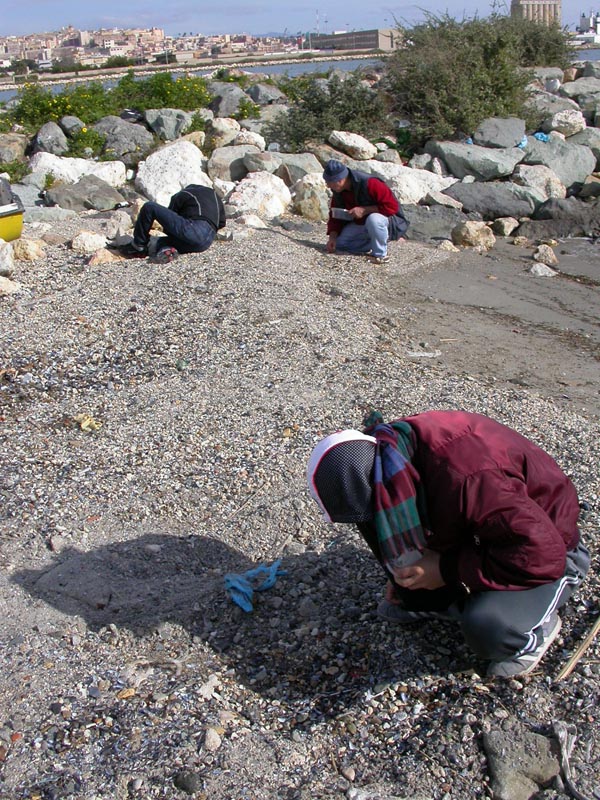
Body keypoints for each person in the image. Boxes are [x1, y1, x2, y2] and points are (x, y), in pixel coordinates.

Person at [307, 410, 590, 678]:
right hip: (484, 535)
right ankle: (449, 598)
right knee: (408, 581)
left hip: (549, 549)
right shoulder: (389, 458)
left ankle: (532, 634)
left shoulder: (469, 477)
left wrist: (445, 570)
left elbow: (543, 554)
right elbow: (419, 511)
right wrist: (403, 570)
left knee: (488, 629)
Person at [323, 159, 408, 265]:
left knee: (374, 219)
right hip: (361, 224)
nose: (327, 186)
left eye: (328, 183)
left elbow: (392, 207)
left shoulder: (371, 183)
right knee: (340, 244)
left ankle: (380, 255)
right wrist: (333, 237)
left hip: (388, 221)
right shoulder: (338, 191)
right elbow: (335, 215)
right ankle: (377, 241)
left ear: (339, 180)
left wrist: (365, 210)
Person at [111, 184, 226, 260]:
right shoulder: (216, 198)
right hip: (205, 243)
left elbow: (170, 218)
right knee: (167, 241)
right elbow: (221, 223)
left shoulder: (186, 193)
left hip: (193, 230)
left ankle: (138, 246)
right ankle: (166, 250)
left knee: (149, 207)